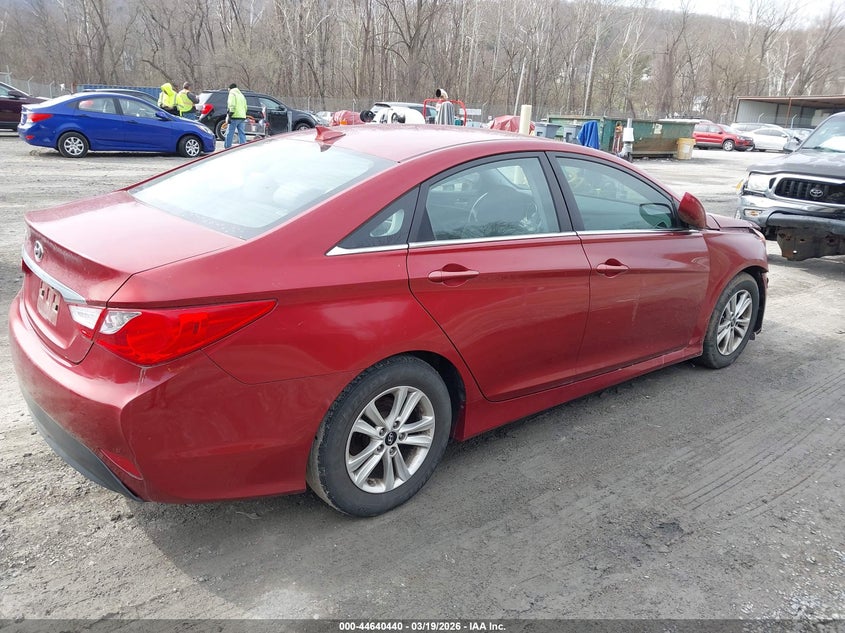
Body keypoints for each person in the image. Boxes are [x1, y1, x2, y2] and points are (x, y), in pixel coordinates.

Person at [224, 83, 247, 148]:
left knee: (229, 133)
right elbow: (245, 107)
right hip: (242, 116)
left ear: (230, 88)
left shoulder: (232, 93)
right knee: (241, 133)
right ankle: (243, 147)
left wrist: (230, 115)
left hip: (234, 116)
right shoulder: (241, 95)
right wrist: (243, 114)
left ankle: (227, 147)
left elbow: (232, 105)